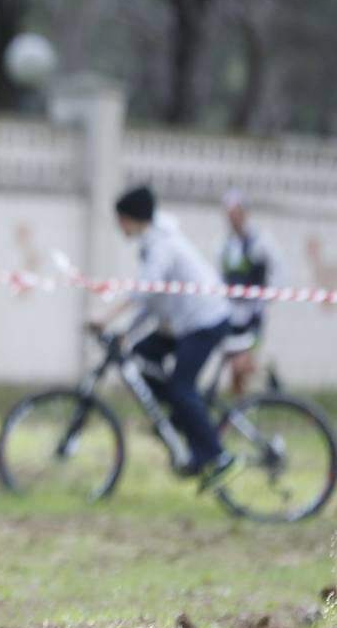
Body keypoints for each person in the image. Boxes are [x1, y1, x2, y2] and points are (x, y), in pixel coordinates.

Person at [90, 185, 240, 490]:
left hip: (204, 321)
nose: (119, 226)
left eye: (120, 219)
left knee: (181, 386)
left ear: (132, 218)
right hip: (182, 322)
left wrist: (106, 318)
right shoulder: (153, 240)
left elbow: (145, 291)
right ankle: (178, 419)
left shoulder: (162, 246)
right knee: (142, 357)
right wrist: (125, 333)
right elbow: (155, 300)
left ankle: (218, 455)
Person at [217, 189, 283, 396]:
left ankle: (267, 373)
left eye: (237, 213)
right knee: (233, 365)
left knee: (241, 363)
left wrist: (268, 297)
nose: (233, 218)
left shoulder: (261, 241)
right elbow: (219, 276)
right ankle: (239, 410)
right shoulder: (223, 244)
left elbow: (280, 270)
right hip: (231, 313)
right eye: (230, 214)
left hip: (253, 313)